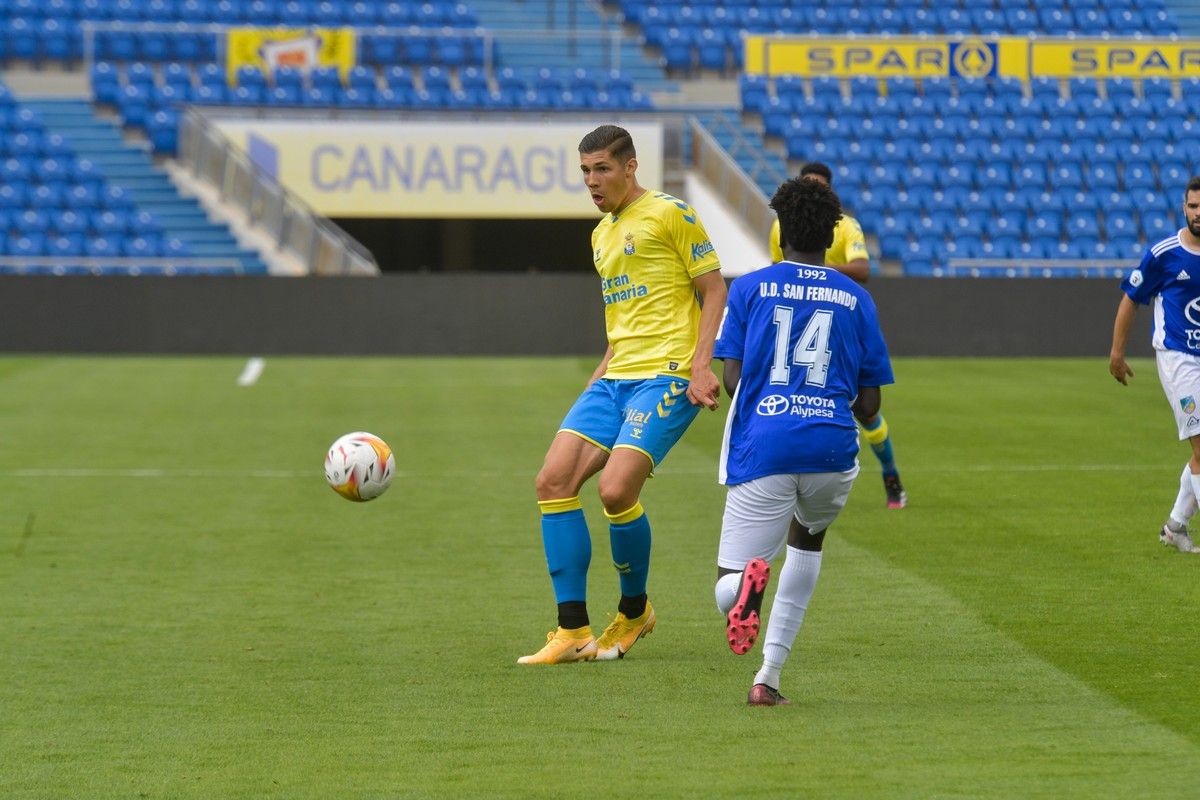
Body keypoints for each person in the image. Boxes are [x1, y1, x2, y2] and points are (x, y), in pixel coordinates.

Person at [518, 124, 728, 665]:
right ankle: (571, 632)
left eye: (602, 169)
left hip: (668, 375)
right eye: (585, 171)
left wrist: (702, 366)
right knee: (553, 480)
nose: (592, 181)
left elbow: (714, 288)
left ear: (630, 166)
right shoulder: (601, 235)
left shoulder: (669, 213)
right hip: (616, 377)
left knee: (614, 491)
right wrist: (598, 377)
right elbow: (622, 320)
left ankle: (635, 612)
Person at [714, 176, 894, 705]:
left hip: (767, 445)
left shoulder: (749, 288)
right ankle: (767, 680)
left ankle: (747, 587)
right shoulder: (858, 299)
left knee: (729, 583)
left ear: (780, 229)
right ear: (832, 232)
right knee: (808, 539)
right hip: (832, 451)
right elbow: (870, 406)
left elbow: (731, 379)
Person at [769, 162, 907, 510]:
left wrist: (819, 270)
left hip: (838, 325)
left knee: (867, 412)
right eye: (807, 184)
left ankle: (890, 474)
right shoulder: (780, 227)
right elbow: (777, 272)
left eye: (819, 186)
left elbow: (862, 269)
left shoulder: (845, 227)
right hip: (799, 325)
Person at [1109, 175, 1200, 554]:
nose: (1199, 214)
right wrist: (1117, 352)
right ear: (1184, 208)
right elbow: (1131, 298)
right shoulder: (1164, 254)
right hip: (1178, 358)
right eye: (1194, 206)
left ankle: (1175, 528)